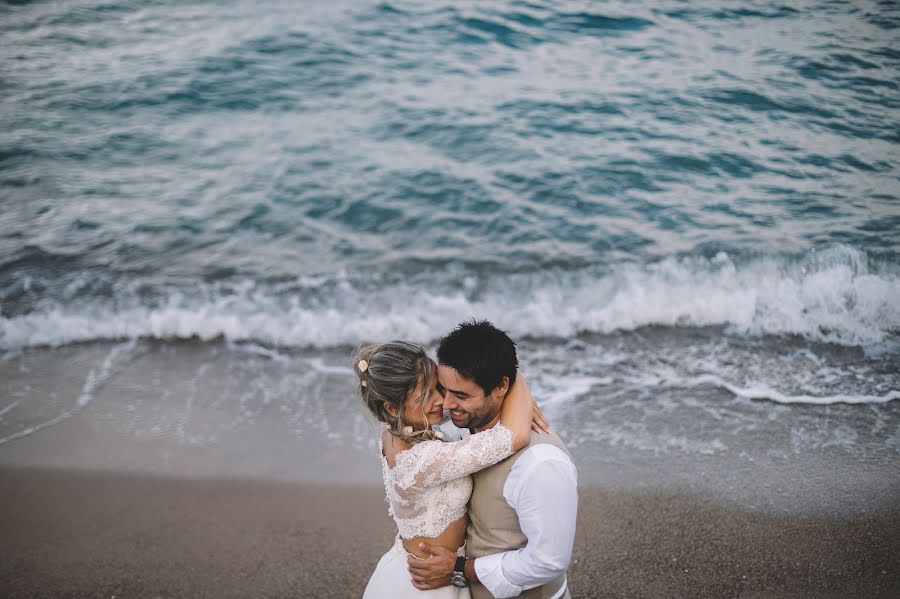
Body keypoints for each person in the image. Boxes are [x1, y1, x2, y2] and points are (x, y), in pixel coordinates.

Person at [355, 339, 547, 598]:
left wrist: (496, 378)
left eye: (438, 388)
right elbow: (514, 437)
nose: (442, 402)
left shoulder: (396, 426)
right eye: (426, 396)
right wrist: (512, 382)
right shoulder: (418, 463)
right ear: (392, 407)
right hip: (430, 585)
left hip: (431, 569)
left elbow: (469, 399)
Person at [407, 320, 578, 599]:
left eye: (461, 395)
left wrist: (462, 568)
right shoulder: (454, 429)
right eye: (443, 388)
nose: (447, 405)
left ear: (501, 387)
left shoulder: (541, 464)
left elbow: (549, 561)